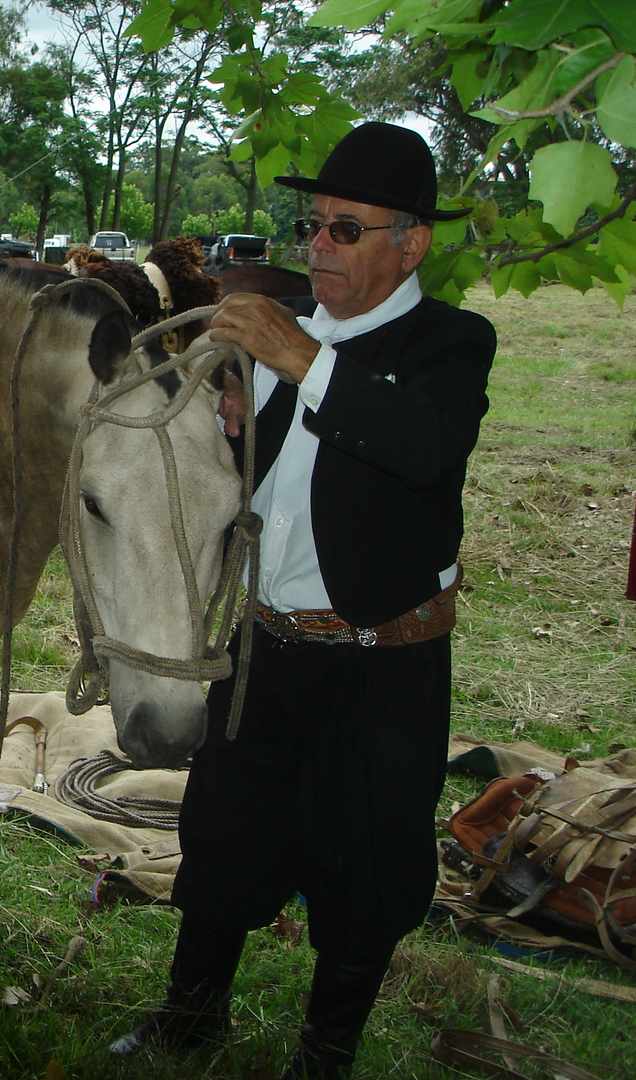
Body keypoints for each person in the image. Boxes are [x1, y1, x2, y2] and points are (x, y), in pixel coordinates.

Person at [110, 122, 497, 1079]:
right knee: (225, 830)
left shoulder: (452, 342)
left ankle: (326, 1053)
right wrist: (237, 422)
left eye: (345, 230)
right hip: (268, 644)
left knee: (366, 864)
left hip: (383, 661)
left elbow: (424, 445)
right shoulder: (288, 340)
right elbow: (261, 483)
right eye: (312, 225)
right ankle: (191, 1013)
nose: (317, 246)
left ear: (412, 243)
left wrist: (300, 365)